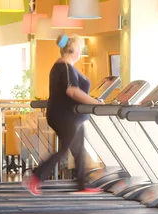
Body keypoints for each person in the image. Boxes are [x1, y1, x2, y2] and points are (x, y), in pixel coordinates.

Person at [23, 34, 103, 195]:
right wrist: (97, 103)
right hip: (66, 116)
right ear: (72, 50)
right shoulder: (65, 67)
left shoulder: (64, 67)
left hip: (72, 116)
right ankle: (36, 176)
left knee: (79, 150)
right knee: (64, 149)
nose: (80, 52)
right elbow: (72, 91)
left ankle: (81, 185)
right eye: (80, 49)